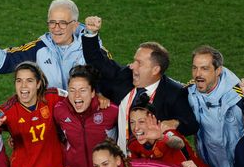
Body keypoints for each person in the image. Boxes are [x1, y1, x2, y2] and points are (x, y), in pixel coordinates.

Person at [82, 16, 198, 149]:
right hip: (122, 160)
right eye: (134, 61)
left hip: (152, 163)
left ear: (155, 69)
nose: (132, 66)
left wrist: (175, 122)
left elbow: (191, 124)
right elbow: (97, 62)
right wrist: (91, 33)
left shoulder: (174, 92)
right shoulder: (125, 76)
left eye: (139, 63)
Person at [0, 0, 91, 89]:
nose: (56, 28)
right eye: (52, 22)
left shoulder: (92, 48)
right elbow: (0, 64)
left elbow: (107, 75)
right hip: (48, 115)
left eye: (63, 23)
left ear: (75, 25)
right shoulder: (38, 48)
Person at [53, 65, 117, 167]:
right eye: (72, 90)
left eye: (82, 90)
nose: (76, 96)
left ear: (93, 92)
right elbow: (55, 135)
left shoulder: (111, 111)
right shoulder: (59, 111)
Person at [127, 96, 214, 167]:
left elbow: (179, 143)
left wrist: (161, 137)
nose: (136, 128)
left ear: (153, 120)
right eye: (132, 122)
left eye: (141, 121)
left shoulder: (166, 132)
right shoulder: (133, 143)